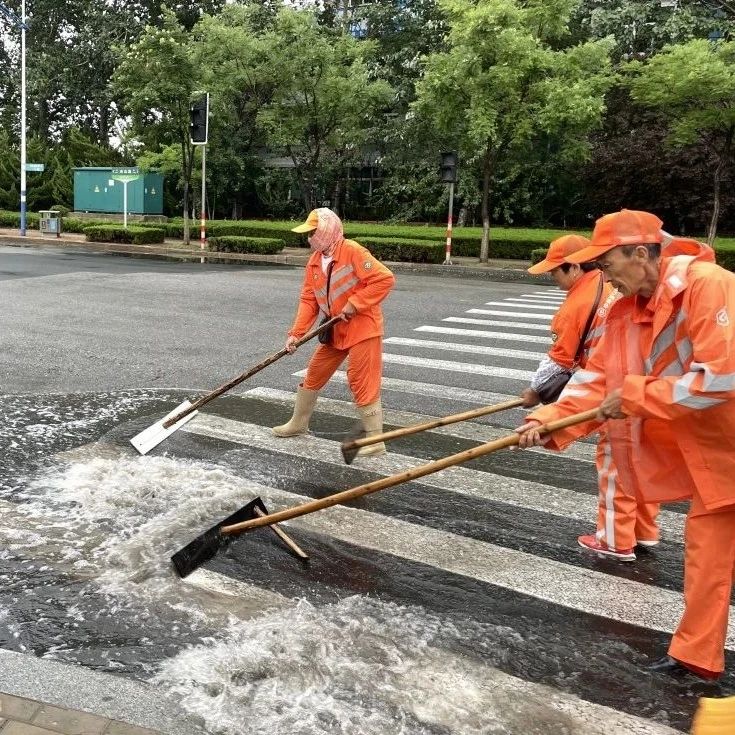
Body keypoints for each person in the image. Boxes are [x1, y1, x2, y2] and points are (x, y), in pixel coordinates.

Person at [516, 209, 735, 680]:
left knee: (711, 558)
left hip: (726, 438)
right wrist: (549, 418)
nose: (603, 274)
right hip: (720, 455)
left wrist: (638, 395)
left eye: (608, 262)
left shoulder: (708, 285)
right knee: (706, 561)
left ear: (640, 253)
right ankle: (696, 659)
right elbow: (598, 379)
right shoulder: (627, 309)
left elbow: (721, 378)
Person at [522, 234, 659, 561]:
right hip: (641, 388)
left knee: (617, 460)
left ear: (572, 267)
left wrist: (535, 393)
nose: (553, 278)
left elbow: (559, 358)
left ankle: (615, 540)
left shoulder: (578, 303)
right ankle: (644, 530)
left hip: (620, 389)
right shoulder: (617, 289)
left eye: (554, 271)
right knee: (643, 459)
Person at [273, 207, 395, 457]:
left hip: (363, 328)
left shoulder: (352, 251)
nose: (309, 238)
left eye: (313, 232)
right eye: (308, 234)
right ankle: (298, 423)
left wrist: (355, 303)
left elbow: (384, 279)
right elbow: (309, 299)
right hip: (334, 329)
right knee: (314, 374)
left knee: (361, 381)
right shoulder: (316, 260)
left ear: (328, 230)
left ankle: (376, 441)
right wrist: (296, 333)